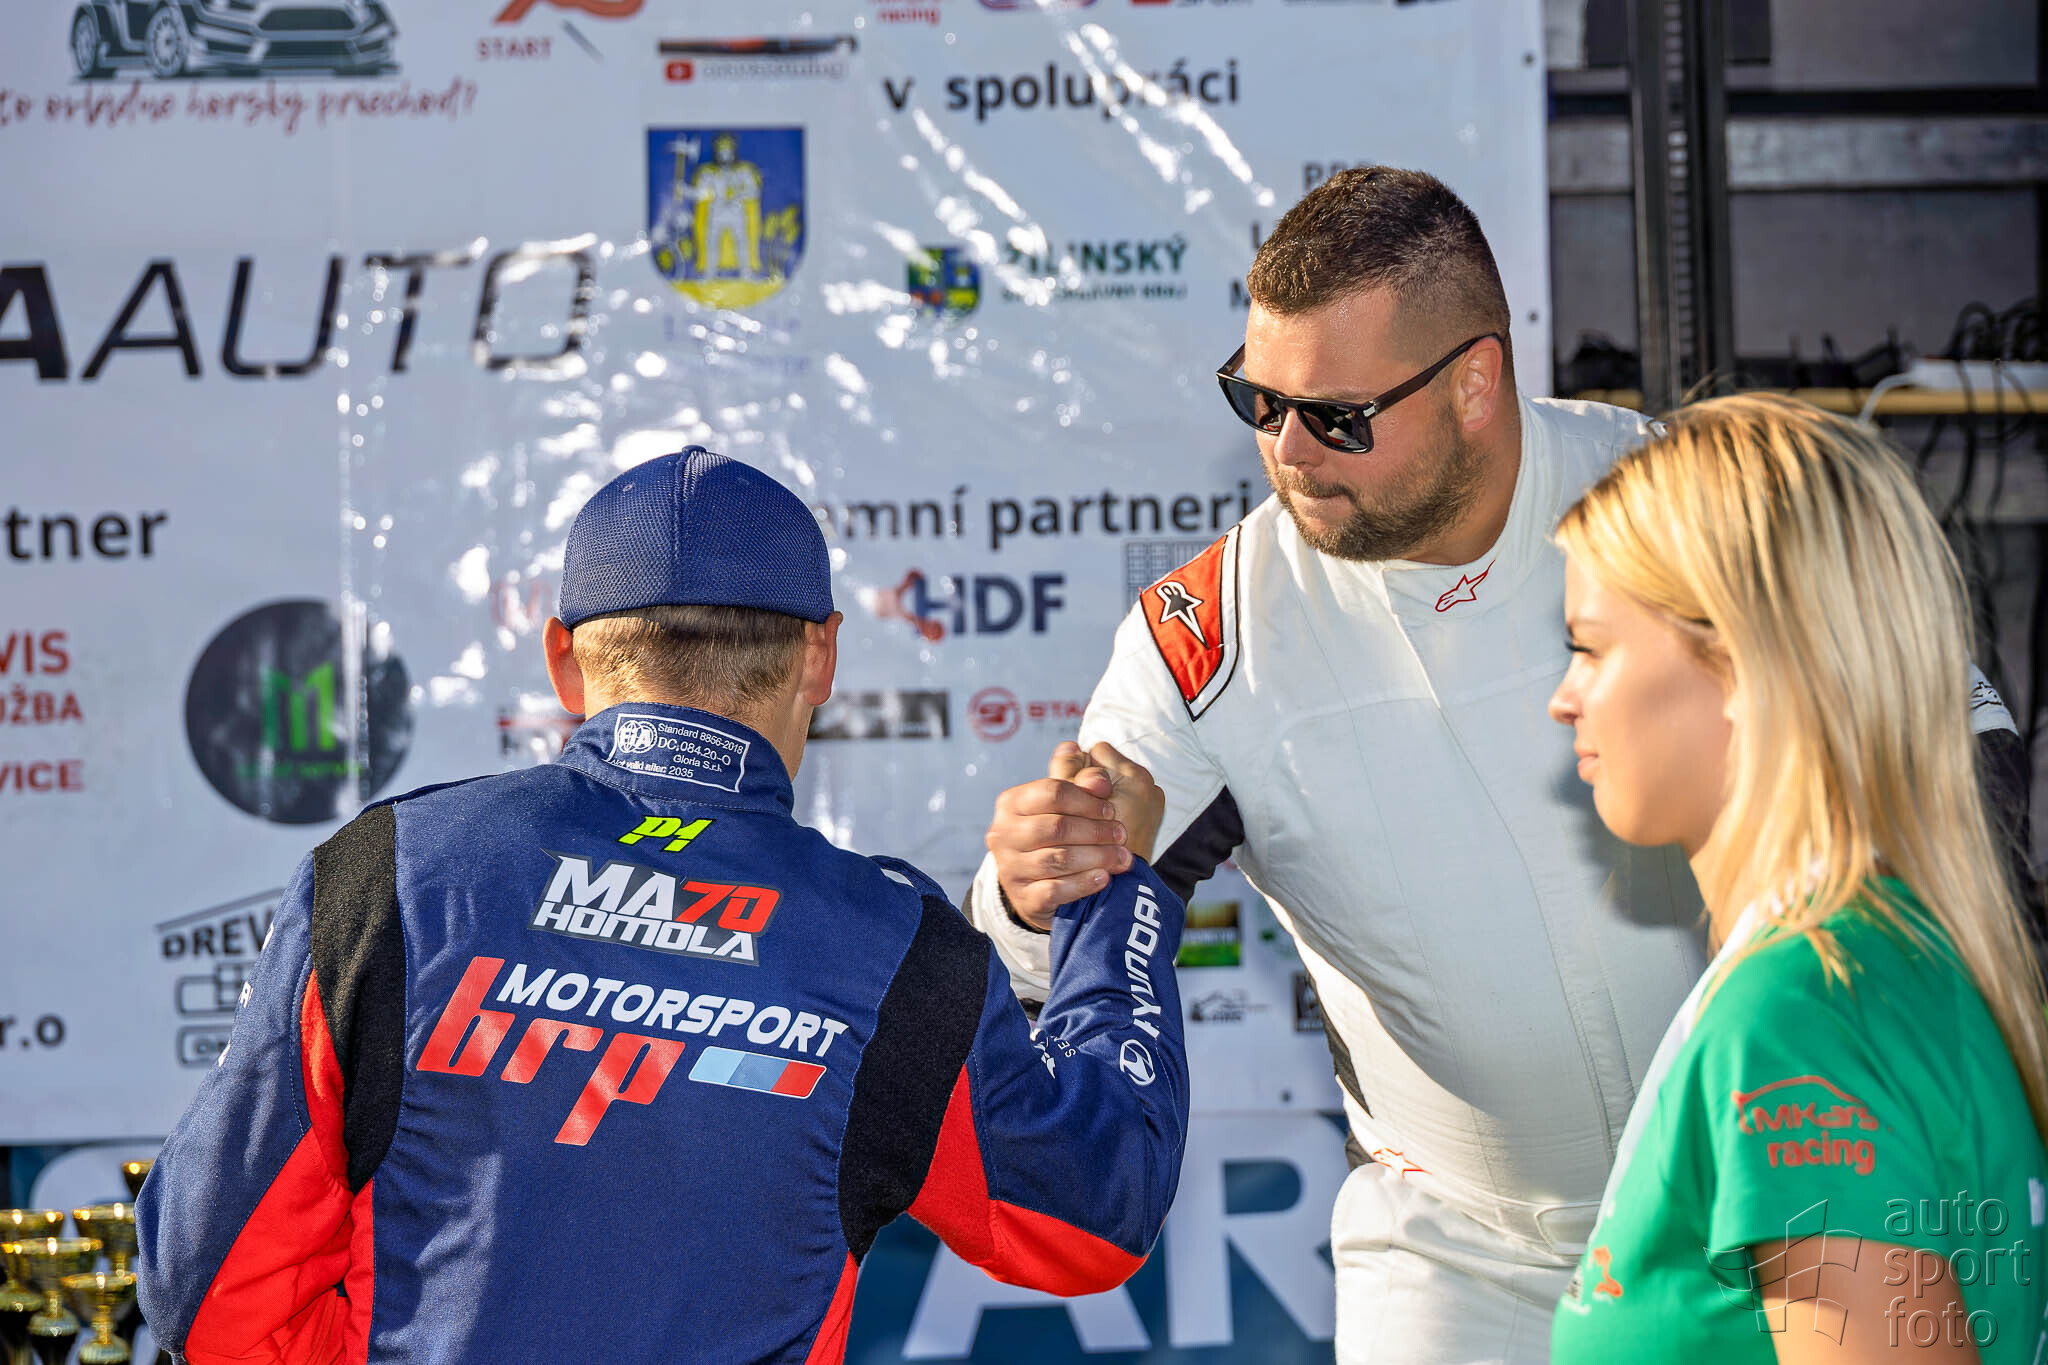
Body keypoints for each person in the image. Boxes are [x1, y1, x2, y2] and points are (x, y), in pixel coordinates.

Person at [962, 167, 2033, 1363]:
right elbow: (1059, 948)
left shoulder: (1672, 503)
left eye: (1336, 416)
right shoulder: (1210, 632)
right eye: (1256, 402)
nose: (1287, 452)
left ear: (1475, 382)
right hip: (1458, 1252)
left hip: (1765, 1191)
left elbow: (1953, 743)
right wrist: (1031, 888)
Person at [135, 449, 1189, 1364]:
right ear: (821, 655)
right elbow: (1092, 1213)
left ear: (562, 658)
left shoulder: (391, 872)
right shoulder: (891, 943)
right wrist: (1111, 896)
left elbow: (209, 1284)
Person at [1546, 394, 2048, 1364]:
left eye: (1589, 647)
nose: (1563, 698)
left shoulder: (1799, 1011)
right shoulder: (1890, 954)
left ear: (1740, 665)